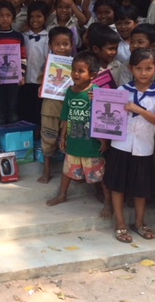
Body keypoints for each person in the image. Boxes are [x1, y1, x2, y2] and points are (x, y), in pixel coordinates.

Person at [104, 49, 155, 243]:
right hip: (120, 145)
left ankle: (139, 223)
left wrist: (137, 109)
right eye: (138, 68)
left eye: (148, 68)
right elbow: (107, 115)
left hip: (143, 147)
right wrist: (98, 101)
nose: (143, 72)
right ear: (131, 69)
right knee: (118, 186)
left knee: (141, 189)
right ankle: (120, 223)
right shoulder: (122, 91)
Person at [46, 52, 109, 211]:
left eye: (81, 71)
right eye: (74, 70)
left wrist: (104, 138)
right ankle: (62, 194)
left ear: (92, 75)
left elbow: (104, 116)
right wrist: (63, 135)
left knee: (100, 173)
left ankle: (108, 203)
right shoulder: (69, 91)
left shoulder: (96, 92)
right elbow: (65, 115)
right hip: (74, 139)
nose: (75, 73)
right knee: (68, 169)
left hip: (91, 140)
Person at [38, 26, 74, 184]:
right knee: (48, 138)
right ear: (50, 45)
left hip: (70, 109)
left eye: (66, 44)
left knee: (69, 139)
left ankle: (70, 173)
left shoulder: (76, 63)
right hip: (50, 108)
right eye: (57, 44)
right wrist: (41, 88)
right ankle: (47, 171)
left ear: (71, 45)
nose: (62, 48)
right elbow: (41, 82)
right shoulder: (47, 64)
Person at [0, 1, 26, 125]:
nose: (5, 18)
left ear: (13, 17)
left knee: (13, 108)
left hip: (14, 80)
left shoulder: (18, 36)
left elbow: (23, 57)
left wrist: (21, 74)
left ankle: (13, 138)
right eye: (1, 15)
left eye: (8, 15)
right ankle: (0, 139)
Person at [20, 1, 48, 126]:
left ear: (45, 18)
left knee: (39, 111)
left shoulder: (49, 37)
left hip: (40, 82)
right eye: (32, 16)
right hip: (24, 81)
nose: (34, 19)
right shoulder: (23, 35)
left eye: (39, 16)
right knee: (25, 110)